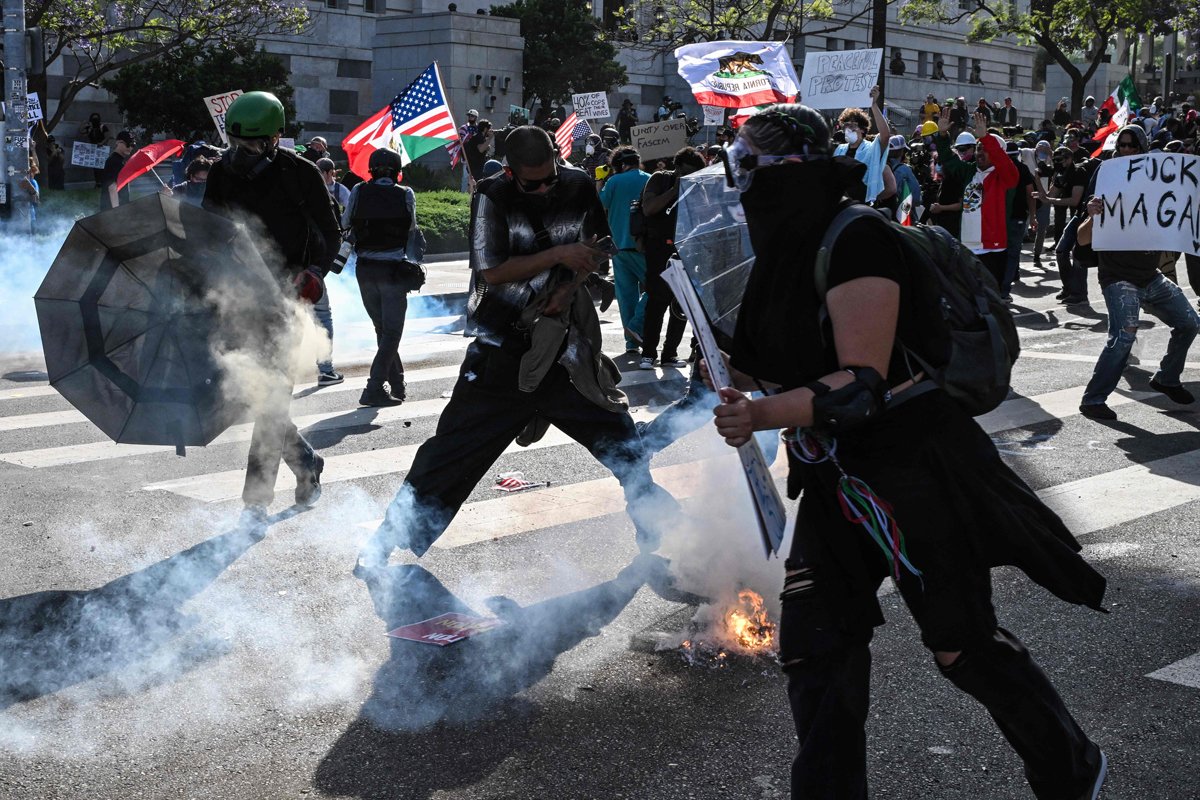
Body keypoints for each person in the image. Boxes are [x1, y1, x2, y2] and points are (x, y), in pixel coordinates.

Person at [707, 102, 1108, 800]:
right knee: (816, 645)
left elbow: (860, 382)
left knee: (960, 645)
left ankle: (1070, 767)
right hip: (834, 478)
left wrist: (761, 414)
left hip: (916, 470)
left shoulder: (857, 237)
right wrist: (724, 369)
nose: (740, 183)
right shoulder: (780, 248)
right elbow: (770, 360)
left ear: (791, 172)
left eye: (749, 166)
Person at [356, 125, 675, 567]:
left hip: (564, 351)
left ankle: (655, 528)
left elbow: (598, 247)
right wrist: (558, 256)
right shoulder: (492, 195)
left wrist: (571, 286)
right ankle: (384, 543)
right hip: (501, 350)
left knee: (622, 442)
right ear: (510, 172)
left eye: (550, 179)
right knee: (449, 454)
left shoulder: (579, 184)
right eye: (532, 184)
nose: (544, 189)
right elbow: (492, 271)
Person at [202, 90, 340, 523]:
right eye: (236, 143)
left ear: (275, 137)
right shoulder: (221, 173)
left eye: (252, 144)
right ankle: (307, 463)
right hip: (236, 301)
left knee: (271, 400)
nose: (243, 152)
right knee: (258, 400)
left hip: (287, 301)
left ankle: (255, 503)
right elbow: (206, 231)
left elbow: (331, 233)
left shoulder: (301, 174)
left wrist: (314, 273)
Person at [1076, 124, 1199, 420]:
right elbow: (1081, 239)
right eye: (1122, 145)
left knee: (1189, 323)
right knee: (1124, 336)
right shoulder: (1107, 183)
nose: (1127, 150)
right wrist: (1092, 216)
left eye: (1133, 145)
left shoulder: (1158, 186)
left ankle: (1167, 378)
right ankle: (1093, 399)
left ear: (1143, 149)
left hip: (1150, 275)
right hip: (1118, 277)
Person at [342, 148, 425, 406]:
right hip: (392, 271)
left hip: (364, 269)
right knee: (391, 333)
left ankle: (397, 384)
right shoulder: (405, 193)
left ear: (372, 170)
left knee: (383, 330)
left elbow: (345, 223)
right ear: (397, 171)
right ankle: (374, 387)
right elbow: (411, 228)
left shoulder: (358, 191)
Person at [638, 146, 706, 370]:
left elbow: (704, 215)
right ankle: (648, 353)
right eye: (685, 173)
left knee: (680, 304)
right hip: (659, 248)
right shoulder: (660, 179)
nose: (688, 177)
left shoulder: (697, 186)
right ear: (676, 168)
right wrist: (674, 190)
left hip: (686, 248)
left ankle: (670, 353)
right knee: (657, 302)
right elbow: (649, 208)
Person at [934, 109, 1017, 288]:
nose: (980, 152)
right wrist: (942, 135)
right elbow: (948, 159)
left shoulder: (1005, 177)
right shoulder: (969, 171)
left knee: (989, 296)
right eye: (979, 148)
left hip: (993, 249)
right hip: (967, 246)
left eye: (986, 149)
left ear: (998, 153)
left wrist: (985, 137)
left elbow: (1006, 166)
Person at [599, 146, 650, 352]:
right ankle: (636, 326)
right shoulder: (650, 179)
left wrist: (600, 180)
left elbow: (600, 204)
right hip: (643, 246)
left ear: (620, 164)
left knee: (626, 296)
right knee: (657, 288)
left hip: (618, 247)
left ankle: (631, 342)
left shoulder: (613, 181)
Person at [314, 157, 351, 387]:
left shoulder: (290, 196)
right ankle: (325, 370)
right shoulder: (324, 201)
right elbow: (335, 235)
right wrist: (322, 270)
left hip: (285, 268)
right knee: (322, 316)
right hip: (311, 269)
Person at [833, 86, 892, 204]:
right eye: (845, 126)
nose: (848, 130)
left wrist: (873, 104)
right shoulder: (839, 150)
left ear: (862, 129)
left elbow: (885, 135)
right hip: (841, 205)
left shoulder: (872, 149)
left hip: (863, 205)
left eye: (852, 126)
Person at [1046, 145, 1089, 304]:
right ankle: (1069, 288)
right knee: (1061, 250)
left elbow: (1074, 200)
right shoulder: (1060, 173)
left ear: (1070, 159)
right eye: (1055, 160)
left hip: (1086, 215)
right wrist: (1040, 176)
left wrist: (1050, 200)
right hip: (1077, 215)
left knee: (1078, 254)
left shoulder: (1078, 172)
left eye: (1061, 160)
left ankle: (1079, 293)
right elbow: (1049, 195)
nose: (1058, 163)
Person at [1002, 140, 1039, 299]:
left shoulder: (998, 168)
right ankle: (1005, 288)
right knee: (1013, 252)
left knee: (1002, 251)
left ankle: (1004, 282)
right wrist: (1033, 217)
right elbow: (1031, 194)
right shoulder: (1022, 169)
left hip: (1000, 217)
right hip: (1017, 217)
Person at [100, 131, 135, 211]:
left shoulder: (120, 160)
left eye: (133, 145)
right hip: (111, 210)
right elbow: (112, 187)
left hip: (119, 208)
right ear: (118, 142)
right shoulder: (114, 161)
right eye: (128, 144)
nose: (130, 147)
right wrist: (117, 212)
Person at [79, 113, 111, 187]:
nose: (95, 120)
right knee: (95, 167)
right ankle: (98, 183)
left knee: (102, 167)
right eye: (93, 119)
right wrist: (83, 124)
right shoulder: (90, 128)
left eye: (96, 119)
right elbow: (81, 131)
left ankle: (103, 182)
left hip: (102, 149)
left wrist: (102, 143)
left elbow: (107, 136)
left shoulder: (102, 127)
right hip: (93, 149)